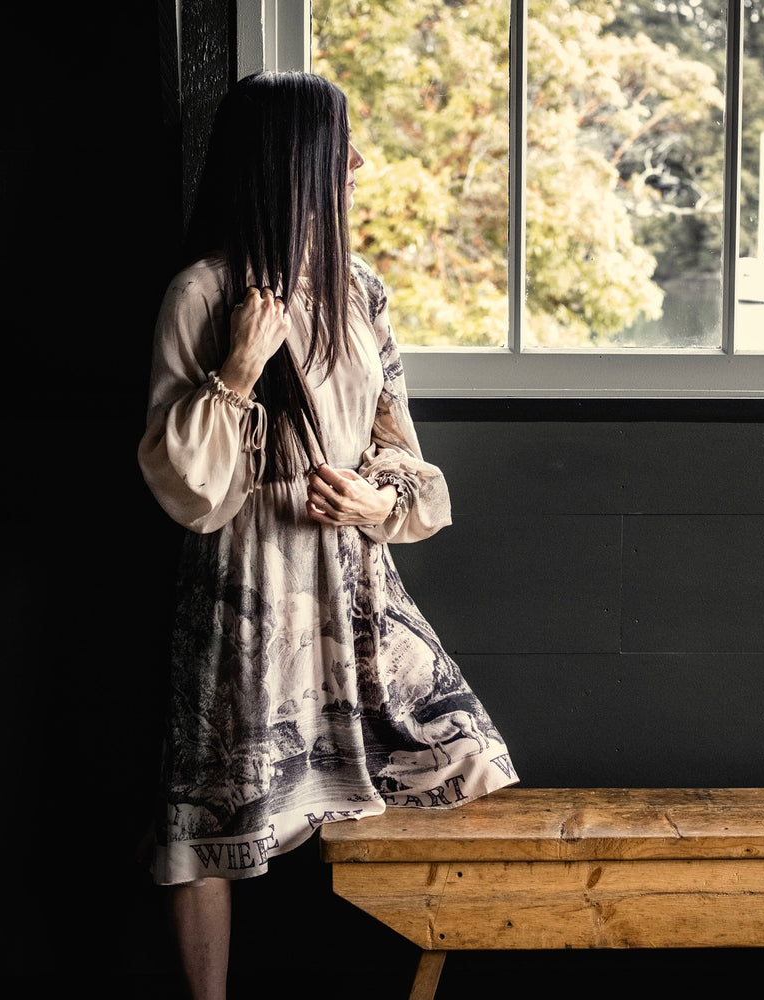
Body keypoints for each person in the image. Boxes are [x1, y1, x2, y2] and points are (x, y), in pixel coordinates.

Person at [137, 70, 518, 999]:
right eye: (336, 147)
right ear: (288, 163)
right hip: (246, 595)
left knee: (462, 761)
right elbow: (185, 487)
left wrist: (375, 504)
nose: (356, 163)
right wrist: (236, 367)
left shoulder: (361, 294)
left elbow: (404, 456)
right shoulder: (202, 293)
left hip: (353, 588)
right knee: (210, 823)